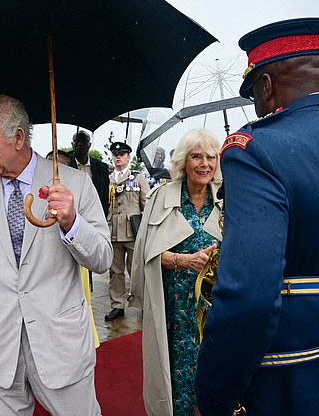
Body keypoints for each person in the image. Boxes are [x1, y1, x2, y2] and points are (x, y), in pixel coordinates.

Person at [195, 18, 319, 416]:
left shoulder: (254, 150)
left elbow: (248, 295)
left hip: (295, 372)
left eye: (254, 93)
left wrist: (214, 394)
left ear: (265, 86)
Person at [0, 94, 112, 415]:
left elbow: (102, 258)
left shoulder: (74, 183)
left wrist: (72, 222)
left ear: (18, 137)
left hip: (61, 346)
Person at [130, 129, 222, 415]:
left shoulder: (226, 199)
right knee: (176, 372)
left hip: (214, 309)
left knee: (212, 371)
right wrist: (184, 260)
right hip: (174, 306)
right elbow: (148, 254)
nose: (204, 164)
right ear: (183, 162)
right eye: (196, 156)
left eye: (210, 157)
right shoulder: (162, 197)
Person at [105, 141, 149, 321]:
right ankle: (117, 305)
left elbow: (146, 204)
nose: (118, 157)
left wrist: (148, 230)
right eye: (115, 154)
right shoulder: (107, 179)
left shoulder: (137, 178)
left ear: (128, 156)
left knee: (137, 271)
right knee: (115, 272)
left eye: (122, 154)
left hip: (132, 231)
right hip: (113, 231)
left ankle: (144, 304)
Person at [67, 130, 110, 216]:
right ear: (72, 144)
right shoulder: (65, 164)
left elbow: (105, 198)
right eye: (77, 141)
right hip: (70, 214)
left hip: (93, 215)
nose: (80, 144)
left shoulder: (101, 168)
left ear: (89, 145)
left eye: (84, 141)